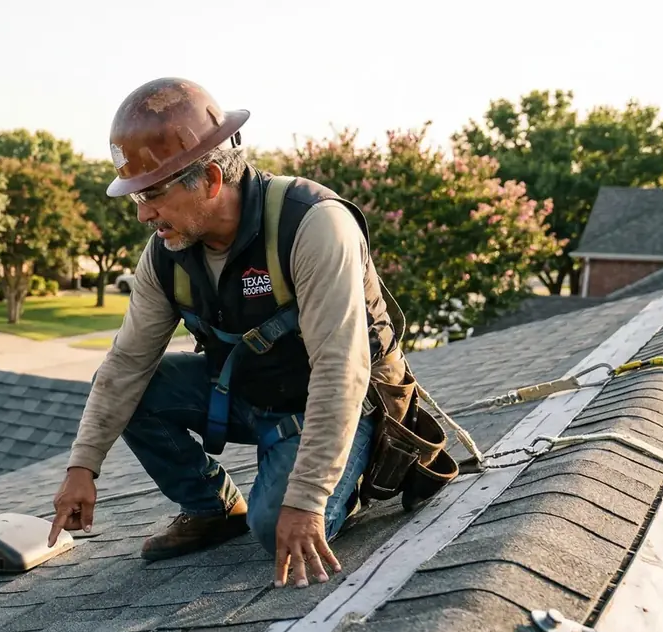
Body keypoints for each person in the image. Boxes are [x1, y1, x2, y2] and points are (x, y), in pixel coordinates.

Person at [50, 77, 452, 590]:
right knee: (142, 389)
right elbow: (126, 366)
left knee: (276, 529)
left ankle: (345, 473)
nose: (143, 213)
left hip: (339, 404)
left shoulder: (313, 225)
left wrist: (306, 498)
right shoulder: (166, 253)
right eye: (136, 197)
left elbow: (341, 369)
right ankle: (212, 508)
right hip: (251, 396)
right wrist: (82, 467)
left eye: (152, 193)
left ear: (212, 180)